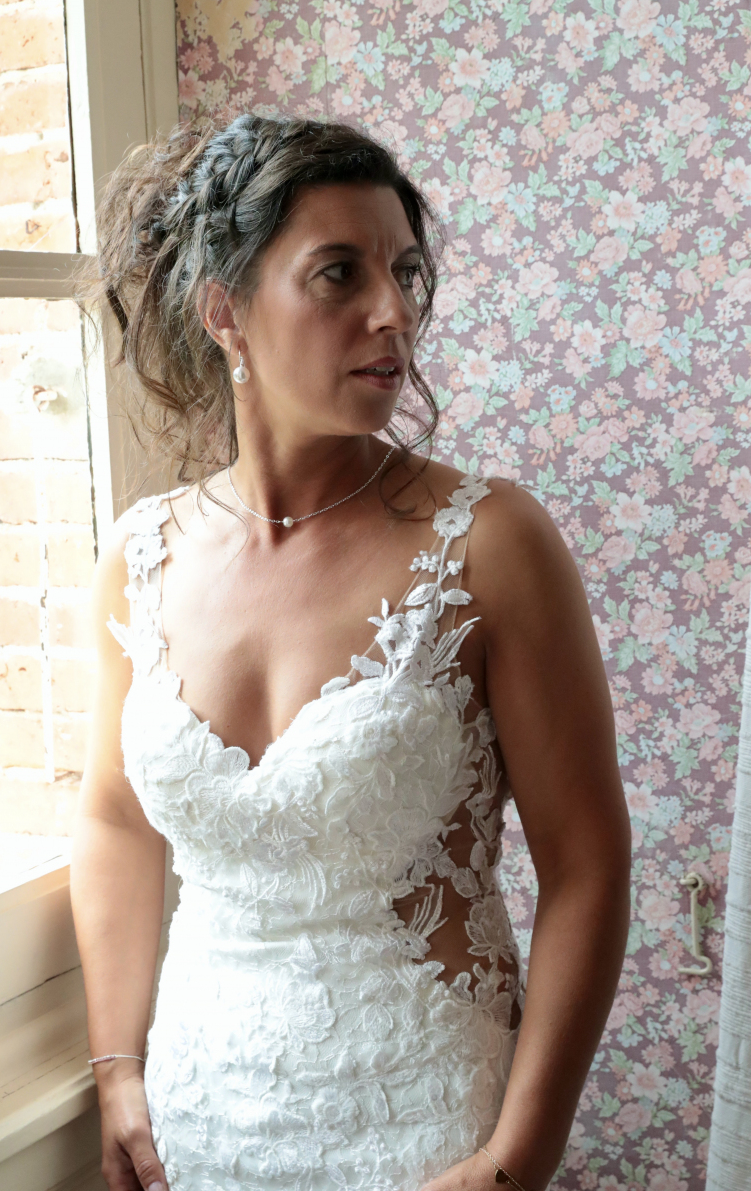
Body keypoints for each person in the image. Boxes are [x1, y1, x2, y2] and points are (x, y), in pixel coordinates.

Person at [70, 112, 631, 1191]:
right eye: (340, 274)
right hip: (197, 1123)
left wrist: (517, 1159)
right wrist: (116, 1069)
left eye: (405, 273)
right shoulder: (140, 558)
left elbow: (587, 867)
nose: (394, 312)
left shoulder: (489, 544)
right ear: (224, 313)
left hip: (430, 1129)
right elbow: (113, 821)